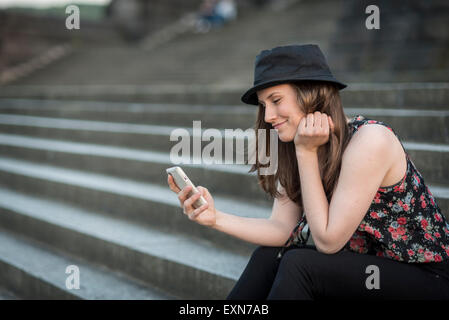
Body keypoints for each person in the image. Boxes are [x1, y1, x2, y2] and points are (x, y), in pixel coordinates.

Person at [167, 44, 449, 299]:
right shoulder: (289, 143)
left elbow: (327, 241)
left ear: (310, 94)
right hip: (365, 271)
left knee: (299, 264)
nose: (268, 116)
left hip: (426, 277)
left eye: (276, 101)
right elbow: (282, 229)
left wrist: (306, 152)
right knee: (269, 257)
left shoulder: (371, 140)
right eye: (264, 105)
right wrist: (215, 219)